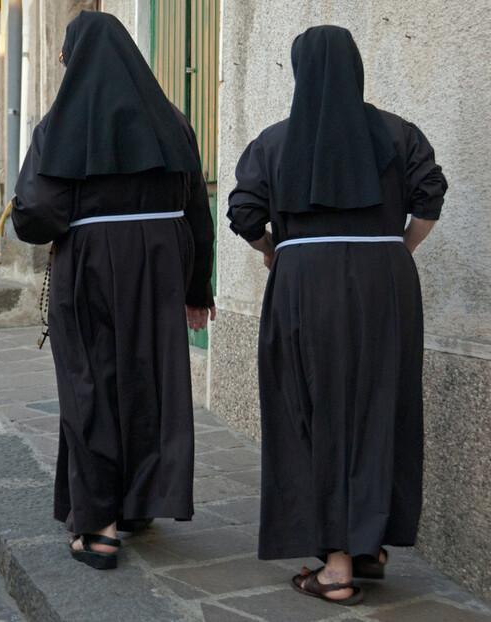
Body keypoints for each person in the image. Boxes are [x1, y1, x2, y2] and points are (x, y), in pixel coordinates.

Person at [227, 25, 446, 606]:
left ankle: (338, 566)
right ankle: (369, 545)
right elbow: (429, 198)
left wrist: (279, 251)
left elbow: (245, 214)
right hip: (385, 281)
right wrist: (395, 252)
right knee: (381, 404)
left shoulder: (274, 143)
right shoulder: (399, 135)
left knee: (311, 408)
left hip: (305, 282)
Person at [11, 11, 215, 571]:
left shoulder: (60, 124)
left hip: (92, 265)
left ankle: (99, 527)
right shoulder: (172, 120)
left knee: (89, 384)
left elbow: (35, 213)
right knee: (149, 382)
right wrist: (198, 288)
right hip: (161, 266)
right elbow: (197, 206)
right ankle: (139, 502)